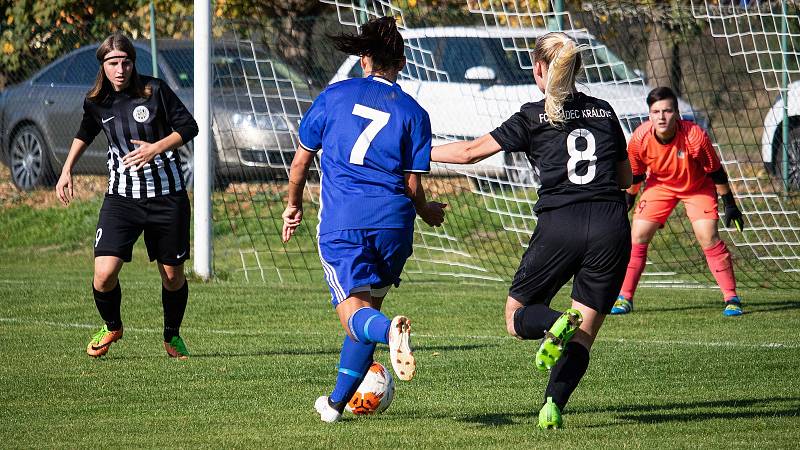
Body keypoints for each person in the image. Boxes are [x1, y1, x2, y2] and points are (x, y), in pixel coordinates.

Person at [431, 32, 632, 429]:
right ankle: (552, 405)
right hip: (611, 225)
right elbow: (625, 177)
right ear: (575, 69)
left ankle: (552, 321)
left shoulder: (532, 115)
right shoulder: (606, 111)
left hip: (561, 224)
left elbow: (469, 153)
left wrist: (415, 151)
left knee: (515, 316)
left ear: (539, 69)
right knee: (584, 335)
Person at [281, 16, 446, 423]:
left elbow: (300, 161)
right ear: (402, 63)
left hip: (344, 222)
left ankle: (390, 331)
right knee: (367, 309)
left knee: (357, 317)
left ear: (364, 58)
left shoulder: (335, 95)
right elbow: (412, 185)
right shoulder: (414, 112)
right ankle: (335, 405)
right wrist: (427, 213)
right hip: (394, 224)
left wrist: (293, 205)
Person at [55, 33, 198, 359]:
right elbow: (85, 131)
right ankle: (112, 325)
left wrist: (156, 148)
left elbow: (190, 127)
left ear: (134, 63)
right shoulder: (96, 101)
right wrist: (66, 170)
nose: (120, 69)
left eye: (125, 62)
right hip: (122, 199)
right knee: (104, 275)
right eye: (113, 63)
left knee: (173, 277)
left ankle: (171, 335)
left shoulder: (156, 91)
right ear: (103, 66)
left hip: (168, 196)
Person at [610, 86, 745, 317]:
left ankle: (731, 297)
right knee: (638, 234)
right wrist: (628, 199)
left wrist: (730, 203)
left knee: (708, 236)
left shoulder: (695, 136)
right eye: (656, 112)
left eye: (667, 111)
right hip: (660, 186)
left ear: (677, 113)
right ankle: (625, 297)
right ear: (649, 115)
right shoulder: (639, 139)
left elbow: (715, 171)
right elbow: (637, 174)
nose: (662, 117)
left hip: (697, 187)